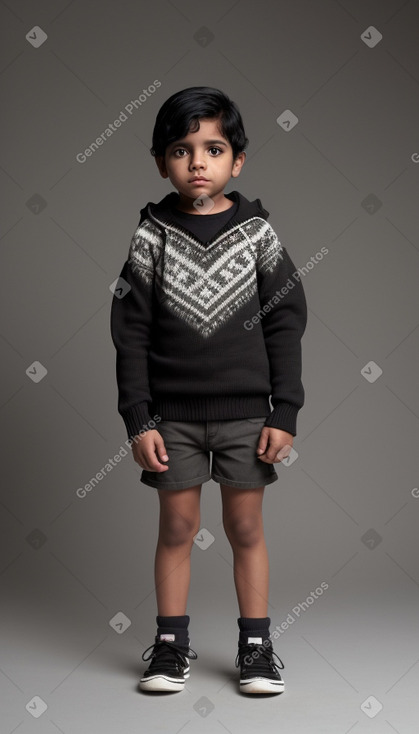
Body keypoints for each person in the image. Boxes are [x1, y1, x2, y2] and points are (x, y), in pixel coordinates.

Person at [110, 86, 307, 695]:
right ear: (162, 163)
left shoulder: (257, 235)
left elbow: (286, 319)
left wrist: (286, 411)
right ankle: (170, 647)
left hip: (249, 416)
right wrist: (138, 419)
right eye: (181, 149)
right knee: (177, 528)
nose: (198, 162)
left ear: (237, 161)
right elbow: (129, 331)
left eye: (213, 148)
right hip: (171, 419)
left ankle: (256, 648)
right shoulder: (152, 237)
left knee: (245, 528)